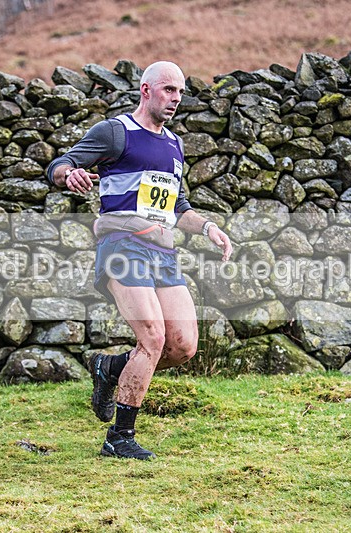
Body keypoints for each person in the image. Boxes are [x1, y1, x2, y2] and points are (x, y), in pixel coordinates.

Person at [46, 61, 233, 460]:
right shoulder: (116, 132)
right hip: (123, 244)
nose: (176, 99)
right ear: (146, 90)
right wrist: (70, 175)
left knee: (183, 346)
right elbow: (59, 165)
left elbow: (177, 204)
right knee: (152, 337)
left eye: (181, 92)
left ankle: (109, 370)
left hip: (163, 250)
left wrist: (207, 228)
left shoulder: (174, 144)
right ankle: (120, 438)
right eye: (168, 90)